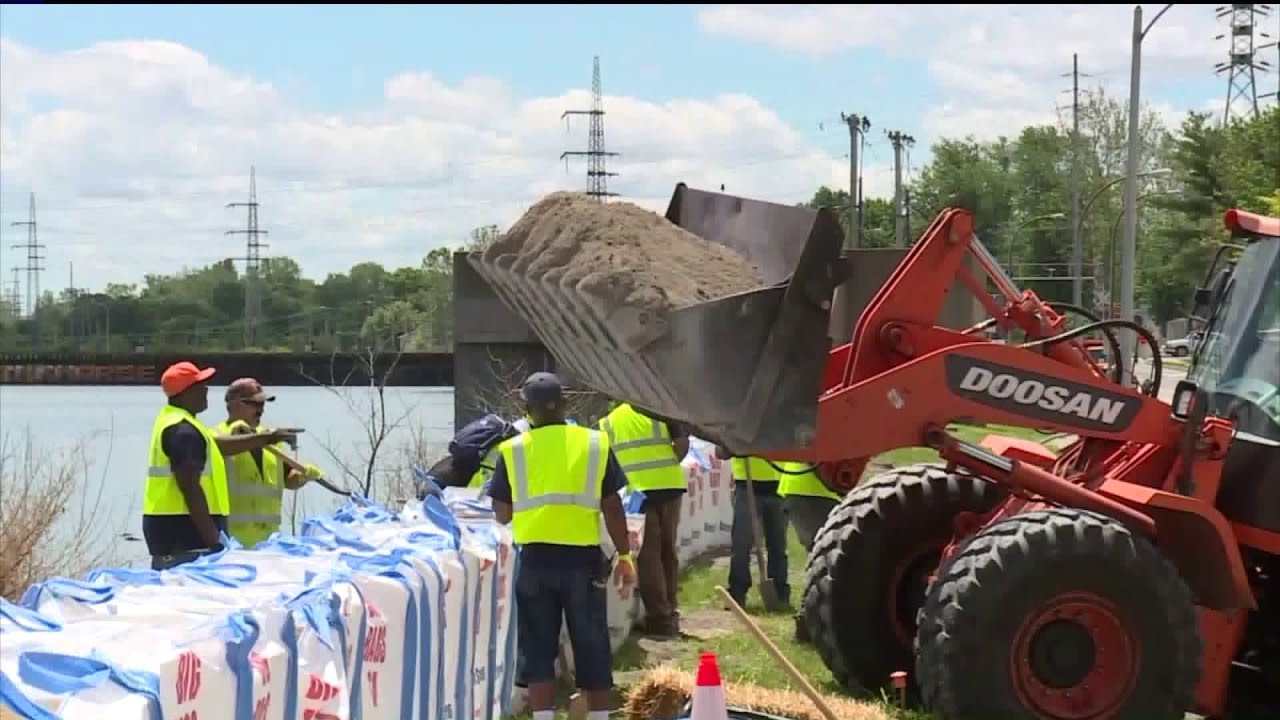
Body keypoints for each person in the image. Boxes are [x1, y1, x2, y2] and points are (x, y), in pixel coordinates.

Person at [486, 372, 636, 720]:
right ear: (565, 405)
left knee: (537, 645)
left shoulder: (512, 450)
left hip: (535, 561)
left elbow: (503, 514)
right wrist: (626, 555)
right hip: (583, 561)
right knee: (592, 641)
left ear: (527, 409)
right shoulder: (594, 443)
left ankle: (542, 716)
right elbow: (612, 505)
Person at [143, 361, 299, 570]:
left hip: (179, 535)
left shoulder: (177, 422)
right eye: (200, 386)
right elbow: (190, 488)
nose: (206, 390)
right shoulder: (184, 430)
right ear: (185, 392)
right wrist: (214, 541)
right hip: (186, 537)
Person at [598, 400, 689, 637]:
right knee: (668, 552)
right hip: (669, 485)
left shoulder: (608, 422)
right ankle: (670, 610)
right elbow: (681, 444)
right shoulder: (661, 407)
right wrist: (667, 463)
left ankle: (660, 619)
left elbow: (606, 462)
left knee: (649, 557)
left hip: (638, 494)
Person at [213, 377, 321, 548]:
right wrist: (238, 432)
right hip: (233, 542)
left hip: (270, 542)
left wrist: (303, 476)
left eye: (263, 404)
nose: (261, 410)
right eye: (255, 404)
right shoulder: (218, 437)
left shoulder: (271, 439)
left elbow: (289, 480)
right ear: (234, 405)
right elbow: (220, 449)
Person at [715, 447, 789, 609]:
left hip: (778, 485)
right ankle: (737, 592)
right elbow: (720, 452)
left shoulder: (780, 422)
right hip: (746, 487)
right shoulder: (740, 423)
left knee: (778, 545)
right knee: (741, 544)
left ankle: (780, 592)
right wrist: (735, 445)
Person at [777, 460, 840, 642]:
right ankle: (808, 622)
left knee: (825, 561)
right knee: (827, 561)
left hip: (805, 490)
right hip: (813, 492)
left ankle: (808, 622)